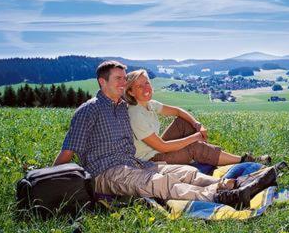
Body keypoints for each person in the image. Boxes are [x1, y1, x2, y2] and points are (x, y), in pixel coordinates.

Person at [53, 60, 272, 208]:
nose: (123, 82)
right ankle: (222, 196)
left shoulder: (122, 107)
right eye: (119, 79)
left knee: (185, 172)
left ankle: (229, 184)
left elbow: (160, 108)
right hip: (106, 172)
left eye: (124, 78)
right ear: (103, 82)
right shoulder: (88, 110)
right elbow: (67, 152)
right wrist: (52, 179)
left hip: (134, 163)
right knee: (160, 183)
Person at [124, 69, 271, 167]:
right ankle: (244, 161)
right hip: (150, 160)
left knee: (184, 123)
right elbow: (163, 147)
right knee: (194, 146)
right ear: (130, 92)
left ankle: (211, 154)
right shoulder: (136, 114)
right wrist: (194, 138)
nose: (146, 88)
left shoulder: (149, 104)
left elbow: (177, 111)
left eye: (147, 83)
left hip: (156, 150)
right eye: (139, 86)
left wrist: (197, 124)